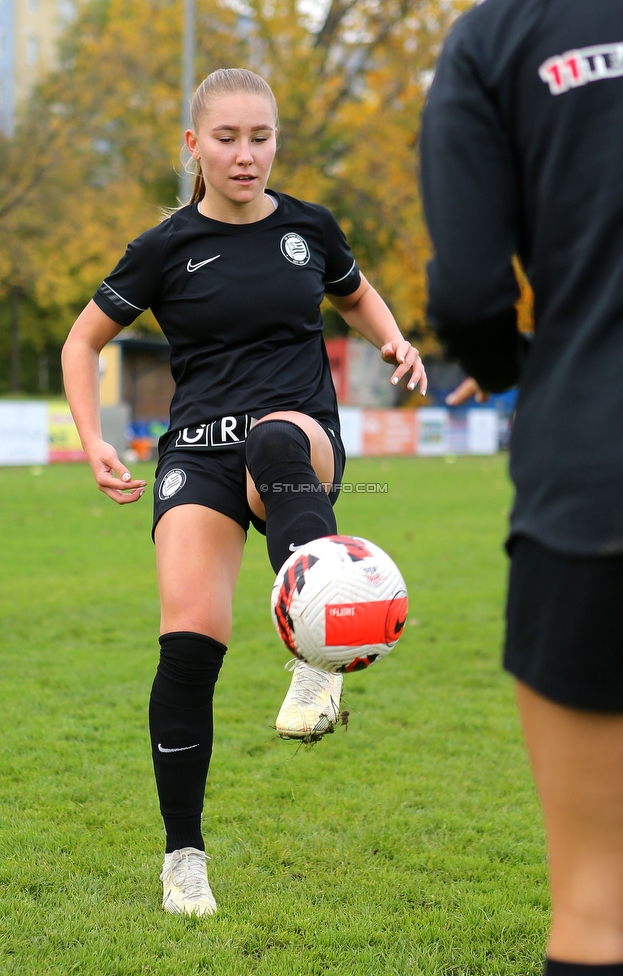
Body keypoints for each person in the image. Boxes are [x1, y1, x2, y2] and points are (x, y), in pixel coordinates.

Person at [61, 67, 426, 917]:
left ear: (274, 141)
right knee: (188, 646)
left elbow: (355, 291)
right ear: (194, 144)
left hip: (295, 440)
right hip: (195, 452)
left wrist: (394, 340)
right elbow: (82, 343)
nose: (246, 154)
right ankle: (182, 858)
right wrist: (92, 439)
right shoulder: (164, 247)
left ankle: (316, 662)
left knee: (273, 439)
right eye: (226, 138)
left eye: (260, 137)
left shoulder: (310, 227)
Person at [419, 2, 623, 975]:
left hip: (598, 478)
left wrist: (523, 364)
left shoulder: (493, 38)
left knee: (605, 917)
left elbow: (469, 293)